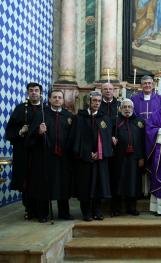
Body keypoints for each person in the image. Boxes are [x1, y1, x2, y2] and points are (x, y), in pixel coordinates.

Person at [27, 89, 74, 223]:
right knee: (44, 184)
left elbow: (73, 136)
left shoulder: (68, 116)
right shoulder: (42, 114)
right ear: (49, 99)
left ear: (63, 100)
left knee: (63, 184)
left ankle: (64, 212)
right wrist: (39, 132)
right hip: (45, 156)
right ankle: (43, 213)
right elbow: (30, 139)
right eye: (55, 97)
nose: (57, 99)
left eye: (60, 97)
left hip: (63, 157)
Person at [70, 91, 113, 221]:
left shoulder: (104, 118)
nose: (96, 103)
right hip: (84, 159)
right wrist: (88, 153)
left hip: (100, 159)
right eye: (94, 101)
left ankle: (97, 210)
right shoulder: (79, 118)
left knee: (98, 185)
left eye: (99, 101)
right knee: (85, 186)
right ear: (88, 102)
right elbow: (76, 138)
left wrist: (99, 153)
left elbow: (106, 139)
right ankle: (86, 212)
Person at [5, 82, 44, 220]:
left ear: (41, 93)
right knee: (26, 181)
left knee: (40, 180)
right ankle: (29, 209)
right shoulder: (20, 109)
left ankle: (41, 210)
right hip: (24, 152)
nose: (34, 92)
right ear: (28, 92)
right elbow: (9, 131)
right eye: (31, 90)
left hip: (41, 153)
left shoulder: (46, 109)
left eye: (36, 90)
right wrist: (21, 131)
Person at [111, 99, 145, 216]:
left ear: (133, 108)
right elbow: (107, 137)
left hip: (134, 158)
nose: (127, 109)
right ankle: (117, 208)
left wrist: (141, 157)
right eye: (124, 107)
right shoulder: (114, 121)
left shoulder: (139, 122)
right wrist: (112, 140)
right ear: (120, 109)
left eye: (129, 107)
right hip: (118, 158)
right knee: (118, 182)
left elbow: (142, 141)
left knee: (133, 183)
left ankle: (132, 207)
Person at [131, 75, 161, 196]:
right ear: (141, 85)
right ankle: (139, 191)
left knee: (154, 162)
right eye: (145, 83)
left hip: (155, 137)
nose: (147, 85)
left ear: (153, 85)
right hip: (138, 136)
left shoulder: (160, 99)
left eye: (149, 83)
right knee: (139, 163)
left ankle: (154, 190)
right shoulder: (134, 99)